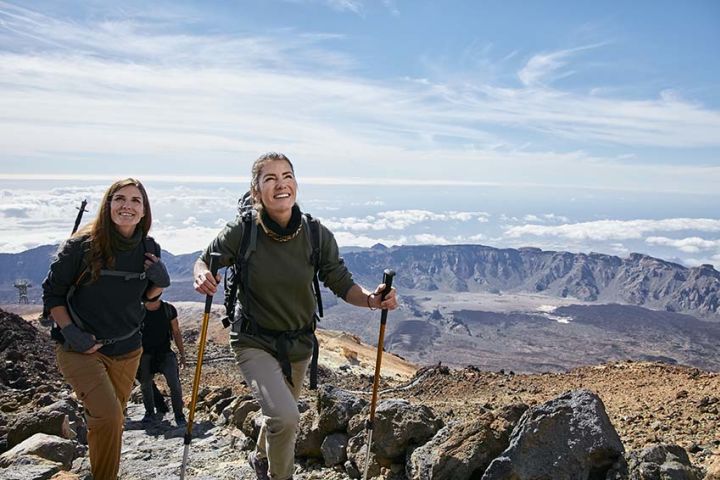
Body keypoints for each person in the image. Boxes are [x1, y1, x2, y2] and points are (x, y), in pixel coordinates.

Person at [193, 152, 398, 480]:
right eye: (270, 178)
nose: (280, 184)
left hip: (299, 345)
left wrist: (374, 301)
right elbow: (204, 260)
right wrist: (202, 274)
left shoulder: (316, 234)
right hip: (252, 340)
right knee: (287, 417)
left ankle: (261, 458)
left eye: (287, 176)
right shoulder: (242, 231)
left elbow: (341, 283)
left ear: (296, 183)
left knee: (279, 416)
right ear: (257, 191)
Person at [42, 178, 170, 480]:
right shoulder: (80, 247)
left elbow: (146, 301)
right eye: (120, 199)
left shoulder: (149, 248)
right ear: (108, 205)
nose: (127, 205)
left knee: (110, 420)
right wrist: (70, 330)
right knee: (109, 416)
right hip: (80, 349)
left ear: (144, 211)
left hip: (127, 349)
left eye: (135, 201)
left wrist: (158, 286)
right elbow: (52, 294)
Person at [138, 298, 187, 427]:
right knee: (145, 385)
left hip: (165, 353)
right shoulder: (138, 311)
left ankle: (179, 415)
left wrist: (182, 354)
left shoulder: (168, 310)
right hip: (145, 354)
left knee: (175, 385)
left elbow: (176, 332)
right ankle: (149, 413)